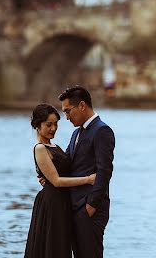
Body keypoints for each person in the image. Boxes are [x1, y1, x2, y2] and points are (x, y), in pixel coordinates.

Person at [24, 103, 96, 258]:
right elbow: (56, 181)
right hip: (52, 203)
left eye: (56, 124)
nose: (53, 128)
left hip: (62, 201)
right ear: (37, 125)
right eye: (48, 125)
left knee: (61, 245)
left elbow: (62, 171)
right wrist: (88, 179)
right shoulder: (40, 148)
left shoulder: (54, 145)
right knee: (53, 245)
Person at [59, 86, 115, 258]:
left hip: (90, 208)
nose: (66, 117)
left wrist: (91, 205)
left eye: (68, 111)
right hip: (75, 206)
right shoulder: (76, 133)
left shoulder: (102, 130)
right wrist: (47, 175)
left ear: (82, 105)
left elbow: (105, 170)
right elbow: (67, 163)